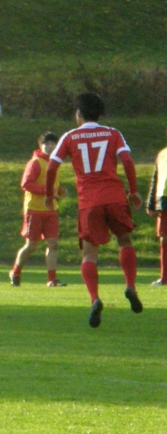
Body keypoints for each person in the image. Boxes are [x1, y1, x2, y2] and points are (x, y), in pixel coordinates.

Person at [45, 92, 143, 328]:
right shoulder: (113, 133)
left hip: (89, 202)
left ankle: (95, 298)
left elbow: (51, 167)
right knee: (125, 241)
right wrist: (133, 191)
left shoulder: (70, 136)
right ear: (100, 114)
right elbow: (127, 161)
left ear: (78, 114)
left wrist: (49, 195)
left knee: (89, 254)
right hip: (115, 197)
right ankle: (130, 285)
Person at [10, 132, 67, 288]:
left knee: (53, 244)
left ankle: (51, 279)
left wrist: (59, 190)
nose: (49, 147)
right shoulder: (35, 162)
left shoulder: (54, 163)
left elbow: (51, 184)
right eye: (46, 144)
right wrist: (48, 192)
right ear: (40, 146)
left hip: (50, 209)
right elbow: (26, 184)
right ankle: (15, 272)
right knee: (31, 246)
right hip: (34, 209)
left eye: (52, 144)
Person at [145, 126, 167, 286]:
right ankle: (164, 277)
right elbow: (156, 178)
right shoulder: (162, 154)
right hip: (164, 201)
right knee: (164, 239)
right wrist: (151, 202)